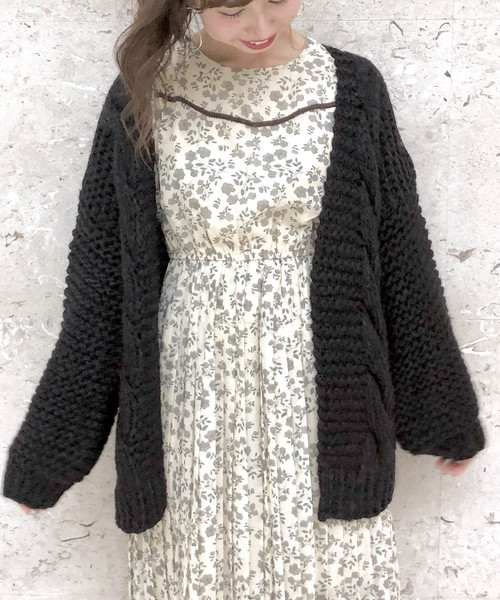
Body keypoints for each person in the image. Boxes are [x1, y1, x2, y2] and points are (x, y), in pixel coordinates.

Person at [4, 0, 486, 598]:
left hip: (319, 397)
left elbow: (400, 255)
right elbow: (103, 291)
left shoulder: (353, 88)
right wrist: (49, 456)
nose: (260, 27)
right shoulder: (144, 93)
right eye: (231, 11)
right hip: (191, 400)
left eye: (276, 0)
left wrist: (443, 412)